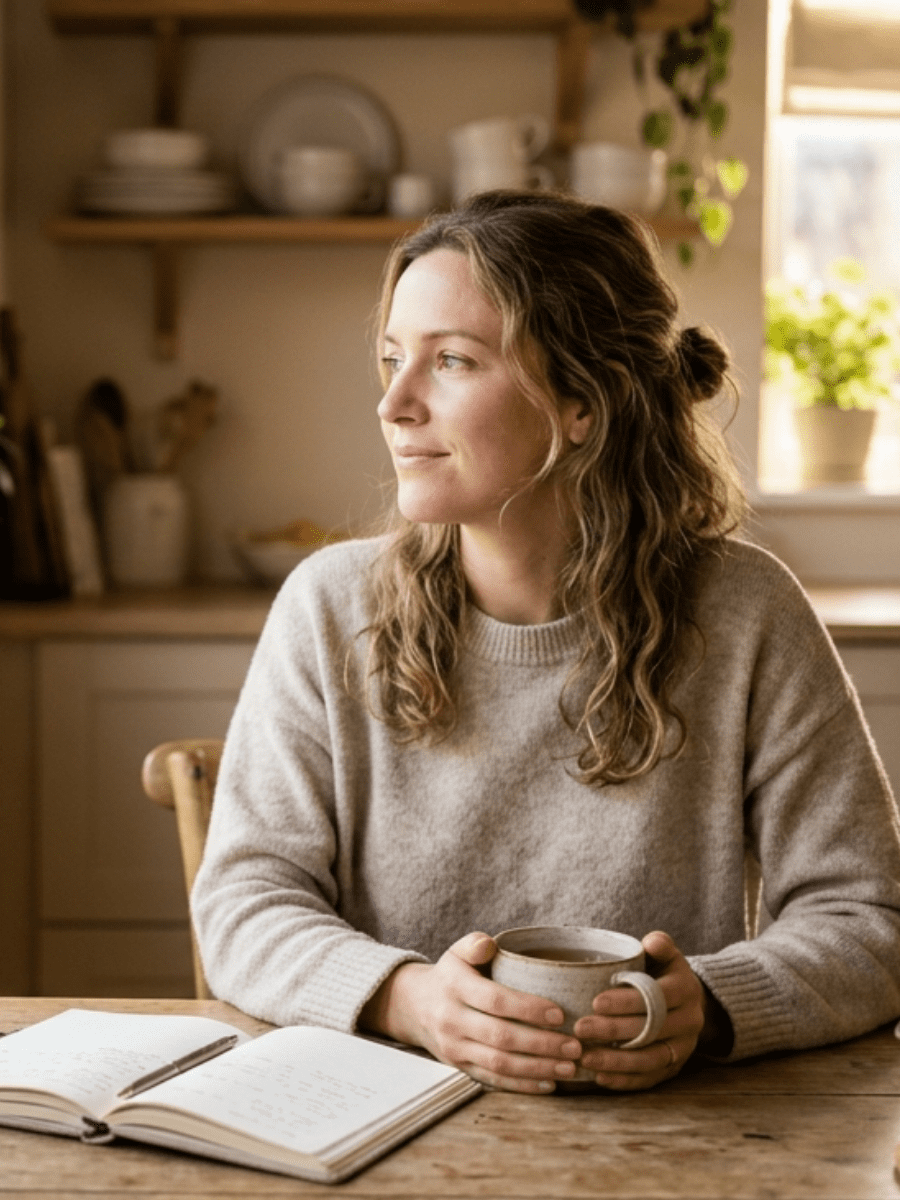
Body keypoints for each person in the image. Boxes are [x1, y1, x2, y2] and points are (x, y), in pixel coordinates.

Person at [192, 191, 900, 1095]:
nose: (394, 404)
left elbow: (869, 919)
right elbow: (243, 908)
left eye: (449, 360)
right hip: (374, 1128)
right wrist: (412, 1002)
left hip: (670, 1148)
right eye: (392, 359)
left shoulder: (749, 615)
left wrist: (712, 1006)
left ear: (583, 404)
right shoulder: (326, 609)